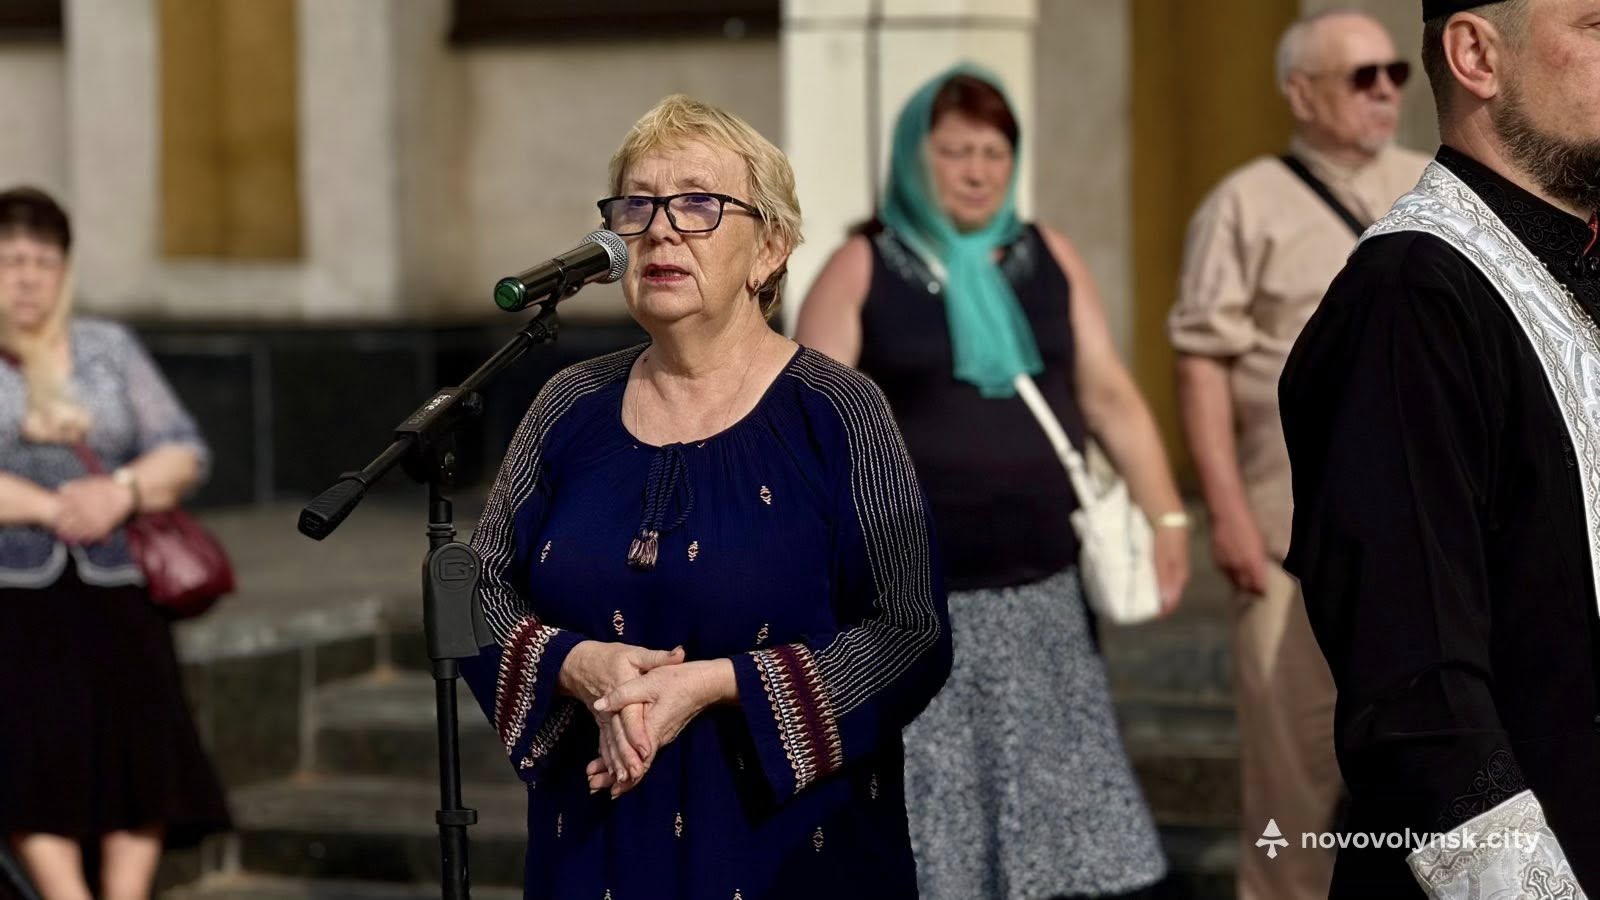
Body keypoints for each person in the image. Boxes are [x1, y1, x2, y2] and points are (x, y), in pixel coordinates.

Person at [460, 94, 952, 900]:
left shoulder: (837, 410)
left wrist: (720, 683)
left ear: (770, 249)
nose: (660, 230)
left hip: (784, 849)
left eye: (698, 204)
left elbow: (910, 631)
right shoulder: (568, 404)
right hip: (595, 838)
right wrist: (575, 663)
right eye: (637, 205)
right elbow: (475, 588)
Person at [795, 66, 1186, 900]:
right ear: (914, 158)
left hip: (1044, 595)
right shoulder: (863, 265)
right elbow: (811, 429)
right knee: (938, 819)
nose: (978, 171)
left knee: (1061, 813)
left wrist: (1168, 519)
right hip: (918, 605)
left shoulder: (1048, 255)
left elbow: (1110, 395)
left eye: (994, 152)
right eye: (955, 152)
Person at [1280, 0, 1600, 895]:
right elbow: (1417, 699)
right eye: (1596, 27)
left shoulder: (1574, 262)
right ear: (1475, 55)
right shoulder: (1408, 299)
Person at [1166, 11, 1429, 898]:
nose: (1386, 91)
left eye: (1394, 72)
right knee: (1294, 791)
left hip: (1426, 544)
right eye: (1361, 77)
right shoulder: (1243, 204)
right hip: (1289, 541)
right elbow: (1200, 363)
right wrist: (1227, 515)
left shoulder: (1432, 187)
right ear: (1301, 93)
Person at [0, 187, 229, 900]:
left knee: (142, 747)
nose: (28, 278)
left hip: (119, 581)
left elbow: (183, 448)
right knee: (30, 748)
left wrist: (121, 492)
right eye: (10, 260)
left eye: (43, 261)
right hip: (13, 591)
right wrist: (53, 505)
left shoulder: (107, 347)